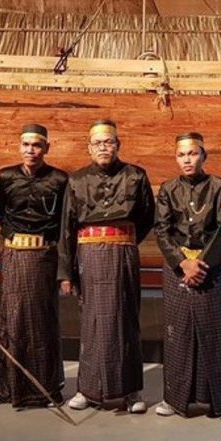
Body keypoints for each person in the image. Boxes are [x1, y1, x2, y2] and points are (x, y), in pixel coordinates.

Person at [58, 119, 155, 413]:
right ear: (89, 147)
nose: (103, 148)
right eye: (97, 143)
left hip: (123, 254)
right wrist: (65, 273)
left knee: (126, 318)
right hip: (88, 255)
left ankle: (131, 391)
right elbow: (66, 229)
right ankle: (87, 390)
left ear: (118, 145)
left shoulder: (136, 175)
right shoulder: (76, 180)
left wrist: (124, 240)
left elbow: (147, 217)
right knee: (91, 321)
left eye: (108, 142)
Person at [153, 132, 221, 421]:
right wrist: (182, 263)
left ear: (204, 156)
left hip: (209, 267)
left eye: (192, 153)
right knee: (177, 332)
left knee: (213, 332)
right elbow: (162, 230)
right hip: (177, 268)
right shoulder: (168, 189)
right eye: (181, 155)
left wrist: (201, 264)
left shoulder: (219, 187)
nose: (187, 160)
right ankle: (173, 399)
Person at [0, 124, 69, 408]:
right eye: (25, 145)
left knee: (42, 320)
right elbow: (0, 211)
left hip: (43, 256)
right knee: (9, 319)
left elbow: (63, 220)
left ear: (46, 148)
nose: (30, 150)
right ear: (19, 146)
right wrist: (13, 235)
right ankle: (2, 388)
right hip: (13, 255)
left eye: (36, 145)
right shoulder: (6, 176)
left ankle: (46, 390)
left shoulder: (59, 179)